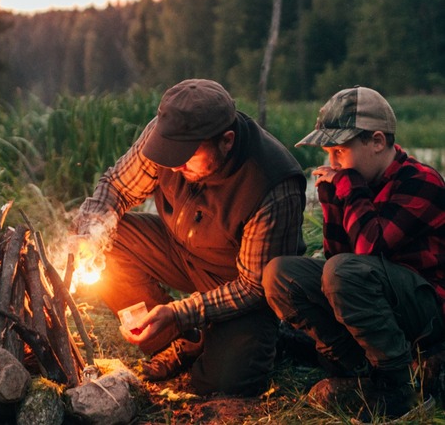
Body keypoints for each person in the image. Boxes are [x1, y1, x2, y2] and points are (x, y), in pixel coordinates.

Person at [71, 78, 306, 395]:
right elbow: (116, 186)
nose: (175, 164)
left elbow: (253, 287)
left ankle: (278, 338)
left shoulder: (271, 184)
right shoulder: (168, 139)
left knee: (224, 383)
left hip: (240, 283)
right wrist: (90, 232)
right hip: (180, 251)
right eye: (171, 154)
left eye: (187, 156)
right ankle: (179, 341)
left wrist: (180, 312)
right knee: (110, 240)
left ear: (226, 141)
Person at [262, 86, 445, 419]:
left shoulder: (421, 181)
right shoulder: (353, 182)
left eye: (339, 152)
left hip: (425, 309)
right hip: (375, 296)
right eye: (329, 153)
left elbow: (368, 251)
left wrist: (347, 186)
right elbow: (336, 257)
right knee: (281, 274)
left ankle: (398, 385)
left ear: (376, 142)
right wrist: (333, 199)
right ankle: (354, 367)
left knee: (345, 271)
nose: (332, 163)